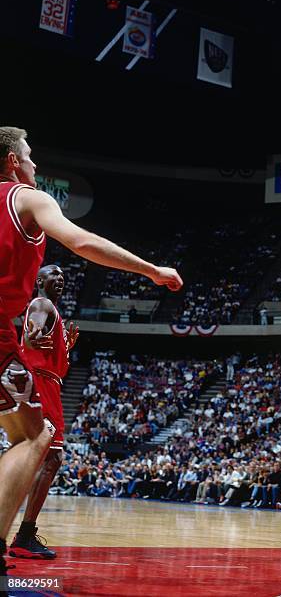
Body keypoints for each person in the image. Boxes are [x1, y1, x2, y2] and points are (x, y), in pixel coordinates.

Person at [0, 126, 182, 579]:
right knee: (34, 437)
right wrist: (151, 269)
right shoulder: (27, 198)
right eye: (29, 156)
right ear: (12, 163)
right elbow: (81, 242)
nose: (35, 164)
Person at [8, 265, 79, 559]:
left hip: (46, 380)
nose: (60, 279)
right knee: (51, 458)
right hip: (42, 382)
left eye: (63, 276)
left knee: (41, 459)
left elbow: (44, 347)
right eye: (53, 275)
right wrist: (30, 337)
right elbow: (33, 330)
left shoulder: (52, 313)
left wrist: (64, 348)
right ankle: (24, 535)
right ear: (39, 280)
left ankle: (22, 534)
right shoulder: (42, 304)